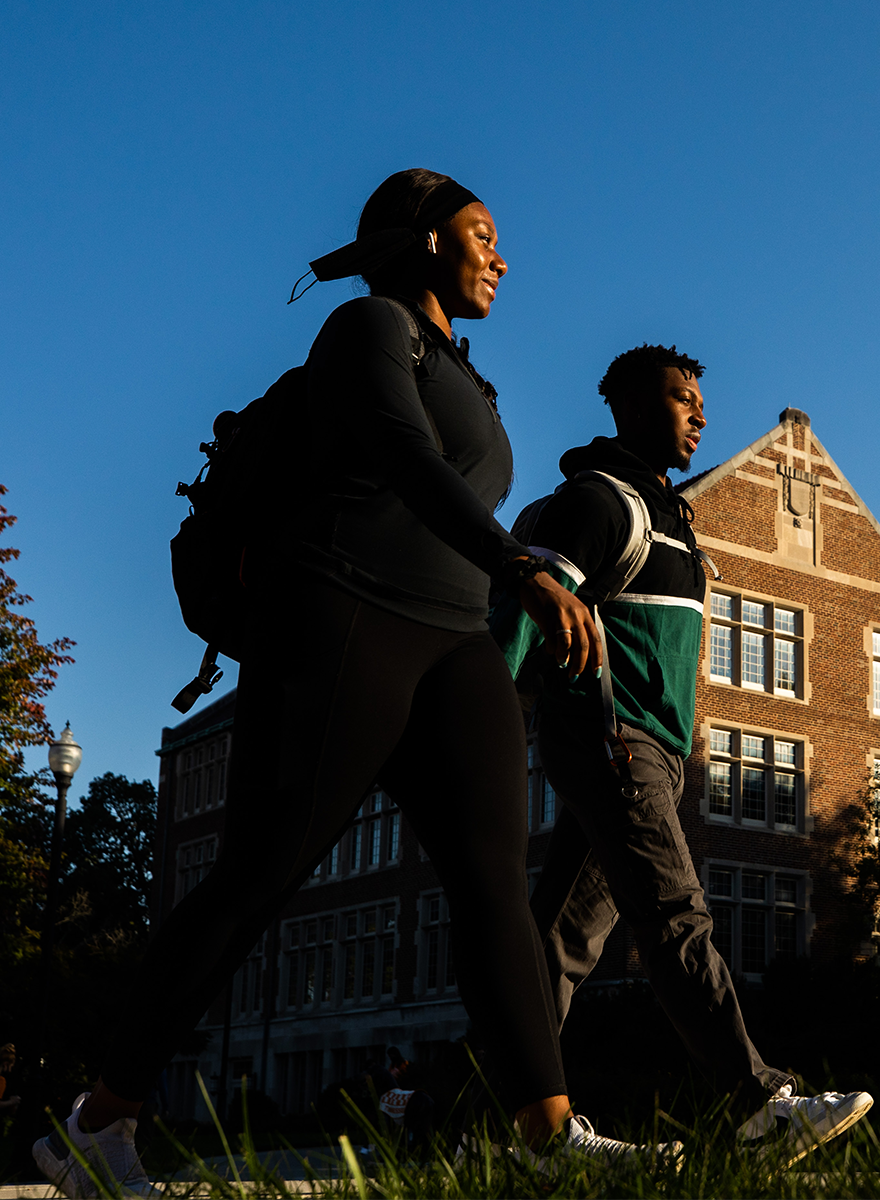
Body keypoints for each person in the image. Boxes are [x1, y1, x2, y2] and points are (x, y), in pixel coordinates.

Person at [34, 170, 667, 1199]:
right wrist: (525, 566)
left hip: (456, 638)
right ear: (421, 243)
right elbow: (403, 456)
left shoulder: (471, 373)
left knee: (491, 881)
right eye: (482, 235)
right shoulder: (368, 329)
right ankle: (97, 1127)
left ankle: (548, 1139)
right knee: (258, 874)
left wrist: (505, 577)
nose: (502, 257)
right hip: (344, 612)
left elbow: (455, 481)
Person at [492, 344, 873, 1169]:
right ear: (629, 409)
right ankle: (761, 1103)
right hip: (611, 738)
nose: (698, 413)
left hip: (657, 752)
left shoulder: (672, 514)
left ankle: (473, 1126)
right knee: (675, 917)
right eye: (678, 398)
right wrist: (484, 715)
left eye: (699, 399)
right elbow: (521, 621)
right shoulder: (597, 505)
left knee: (552, 947)